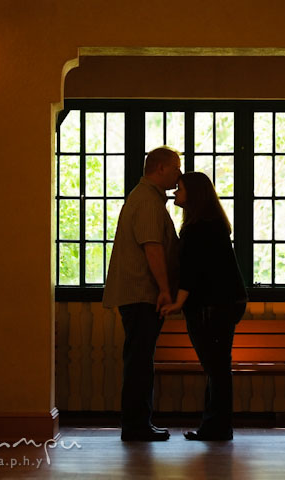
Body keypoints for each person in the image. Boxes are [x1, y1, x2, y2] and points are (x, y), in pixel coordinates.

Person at [102, 146, 182, 442]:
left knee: (139, 359)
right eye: (175, 167)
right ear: (160, 168)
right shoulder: (148, 201)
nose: (178, 173)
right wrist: (164, 290)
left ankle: (137, 423)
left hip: (138, 294)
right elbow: (152, 247)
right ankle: (136, 425)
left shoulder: (144, 197)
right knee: (139, 362)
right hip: (141, 294)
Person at [160, 171, 247, 441]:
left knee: (216, 368)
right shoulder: (212, 224)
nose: (175, 193)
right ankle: (216, 426)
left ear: (194, 195)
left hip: (211, 306)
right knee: (218, 367)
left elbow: (193, 270)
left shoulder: (201, 227)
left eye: (180, 189)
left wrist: (178, 302)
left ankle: (217, 427)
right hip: (224, 303)